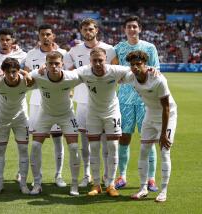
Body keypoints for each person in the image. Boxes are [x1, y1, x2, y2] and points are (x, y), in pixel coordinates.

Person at [64, 18, 116, 187]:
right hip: (83, 103)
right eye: (85, 29)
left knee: (106, 144)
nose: (88, 32)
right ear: (81, 31)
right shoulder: (73, 51)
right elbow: (67, 73)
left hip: (104, 103)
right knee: (86, 143)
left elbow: (117, 73)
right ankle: (87, 176)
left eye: (91, 29)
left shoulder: (109, 49)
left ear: (96, 30)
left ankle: (107, 178)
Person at [122, 51, 177, 202]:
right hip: (150, 114)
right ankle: (143, 188)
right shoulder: (131, 77)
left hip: (168, 115)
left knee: (165, 151)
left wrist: (164, 133)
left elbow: (166, 107)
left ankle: (163, 191)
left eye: (138, 64)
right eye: (132, 65)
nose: (135, 67)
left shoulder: (158, 79)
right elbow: (115, 74)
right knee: (144, 150)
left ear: (145, 64)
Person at [113, 15, 160, 192]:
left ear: (139, 29)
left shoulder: (149, 47)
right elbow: (113, 68)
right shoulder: (118, 48)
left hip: (144, 102)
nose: (132, 29)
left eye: (135, 26)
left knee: (148, 139)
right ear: (124, 29)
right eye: (129, 27)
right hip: (124, 101)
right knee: (124, 138)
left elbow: (157, 70)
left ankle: (151, 179)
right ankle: (122, 175)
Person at [76, 47, 130, 197]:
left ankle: (111, 184)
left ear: (105, 59)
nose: (98, 63)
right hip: (93, 114)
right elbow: (67, 75)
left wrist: (151, 70)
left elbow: (133, 70)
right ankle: (96, 184)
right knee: (94, 148)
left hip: (112, 113)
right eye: (95, 61)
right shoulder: (84, 71)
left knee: (113, 146)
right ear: (90, 61)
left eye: (101, 60)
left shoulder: (115, 70)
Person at [29, 51, 81, 196]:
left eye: (57, 63)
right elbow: (25, 77)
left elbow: (87, 75)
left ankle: (74, 185)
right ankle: (37, 184)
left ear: (62, 64)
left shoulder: (71, 77)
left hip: (66, 115)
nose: (53, 66)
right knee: (35, 146)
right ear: (45, 64)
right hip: (46, 114)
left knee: (74, 147)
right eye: (50, 64)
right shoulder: (38, 75)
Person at [24, 24, 68, 187]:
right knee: (37, 142)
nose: (45, 37)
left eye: (48, 34)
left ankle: (59, 175)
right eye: (42, 34)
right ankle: (38, 177)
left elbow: (70, 74)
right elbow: (27, 77)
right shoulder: (31, 54)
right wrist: (36, 72)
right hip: (36, 103)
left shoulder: (63, 54)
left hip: (57, 103)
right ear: (38, 36)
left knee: (58, 140)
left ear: (53, 36)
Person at [0, 28, 27, 183]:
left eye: (8, 39)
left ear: (13, 40)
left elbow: (27, 75)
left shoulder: (22, 55)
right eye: (2, 39)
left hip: (18, 101)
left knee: (21, 141)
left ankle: (21, 173)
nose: (5, 42)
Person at [0, 58, 32, 194]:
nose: (11, 75)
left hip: (21, 120)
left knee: (23, 150)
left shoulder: (26, 81)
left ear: (18, 71)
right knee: (0, 152)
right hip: (2, 120)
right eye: (8, 72)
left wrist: (26, 73)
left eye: (14, 72)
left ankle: (23, 184)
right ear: (3, 72)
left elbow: (42, 75)